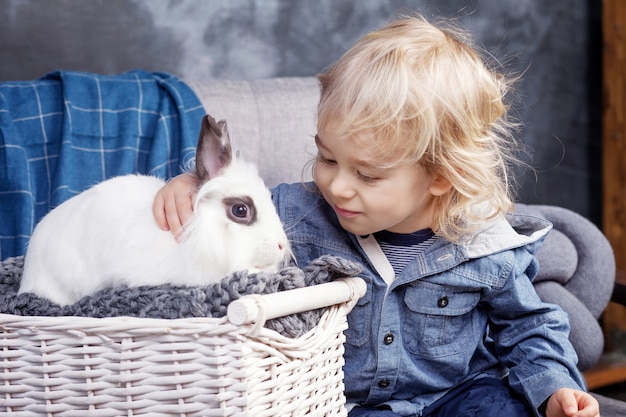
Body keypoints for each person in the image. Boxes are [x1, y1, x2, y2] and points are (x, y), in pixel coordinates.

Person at [153, 13, 600, 417]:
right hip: (343, 405)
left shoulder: (484, 246)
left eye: (367, 175)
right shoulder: (293, 216)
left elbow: (527, 327)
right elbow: (237, 209)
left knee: (505, 409)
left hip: (459, 396)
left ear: (441, 177)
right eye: (327, 159)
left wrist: (554, 388)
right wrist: (195, 189)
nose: (337, 186)